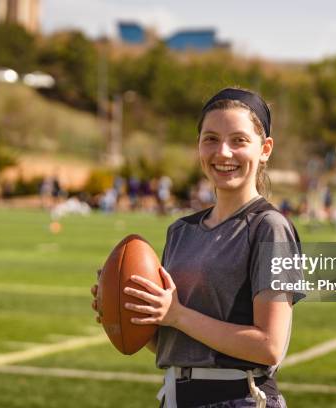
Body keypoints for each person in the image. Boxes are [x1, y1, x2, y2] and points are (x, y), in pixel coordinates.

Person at [91, 87, 304, 407]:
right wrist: (127, 311)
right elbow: (177, 341)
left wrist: (177, 315)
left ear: (265, 149)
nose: (224, 152)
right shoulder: (181, 231)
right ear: (199, 146)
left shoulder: (269, 228)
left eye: (239, 140)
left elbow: (269, 346)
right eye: (211, 139)